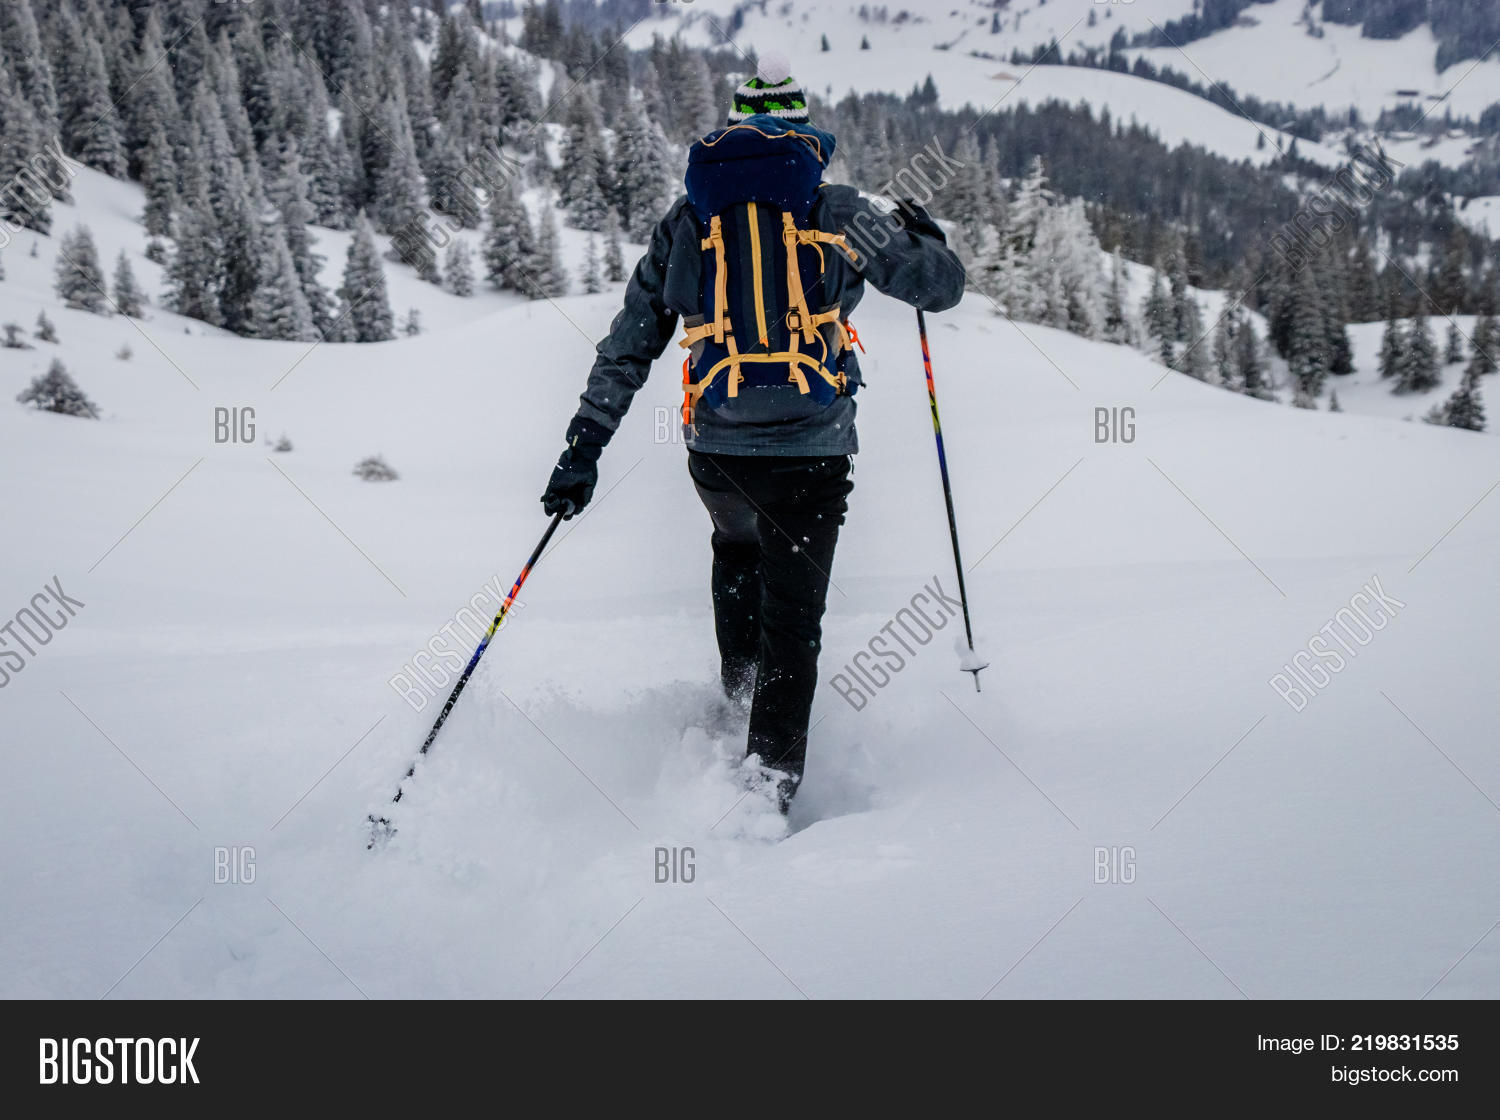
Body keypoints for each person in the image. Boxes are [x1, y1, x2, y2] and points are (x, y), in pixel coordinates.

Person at [541, 55, 965, 814]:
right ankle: (763, 793)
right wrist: (926, 240)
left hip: (717, 454)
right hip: (813, 450)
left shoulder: (688, 220)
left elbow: (629, 344)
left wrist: (583, 447)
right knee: (794, 622)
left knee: (736, 551)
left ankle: (737, 700)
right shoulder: (838, 210)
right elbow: (939, 288)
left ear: (735, 126)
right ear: (803, 129)